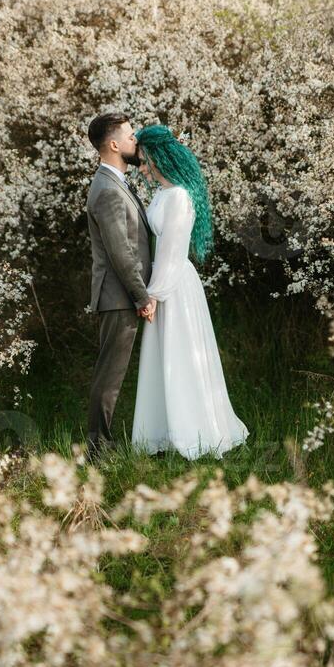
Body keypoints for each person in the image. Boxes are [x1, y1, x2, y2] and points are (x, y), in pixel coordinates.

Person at [131, 124, 249, 460]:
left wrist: (153, 295)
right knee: (163, 357)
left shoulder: (180, 197)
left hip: (174, 286)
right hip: (163, 282)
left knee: (181, 355)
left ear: (157, 157)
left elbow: (171, 250)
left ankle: (194, 432)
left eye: (143, 161)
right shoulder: (163, 193)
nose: (141, 168)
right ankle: (164, 431)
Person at [85, 112, 156, 461]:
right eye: (130, 137)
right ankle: (98, 450)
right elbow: (119, 251)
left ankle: (101, 445)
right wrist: (141, 295)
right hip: (118, 296)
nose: (135, 142)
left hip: (121, 294)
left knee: (111, 372)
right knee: (110, 375)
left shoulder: (115, 182)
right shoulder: (106, 190)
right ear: (113, 145)